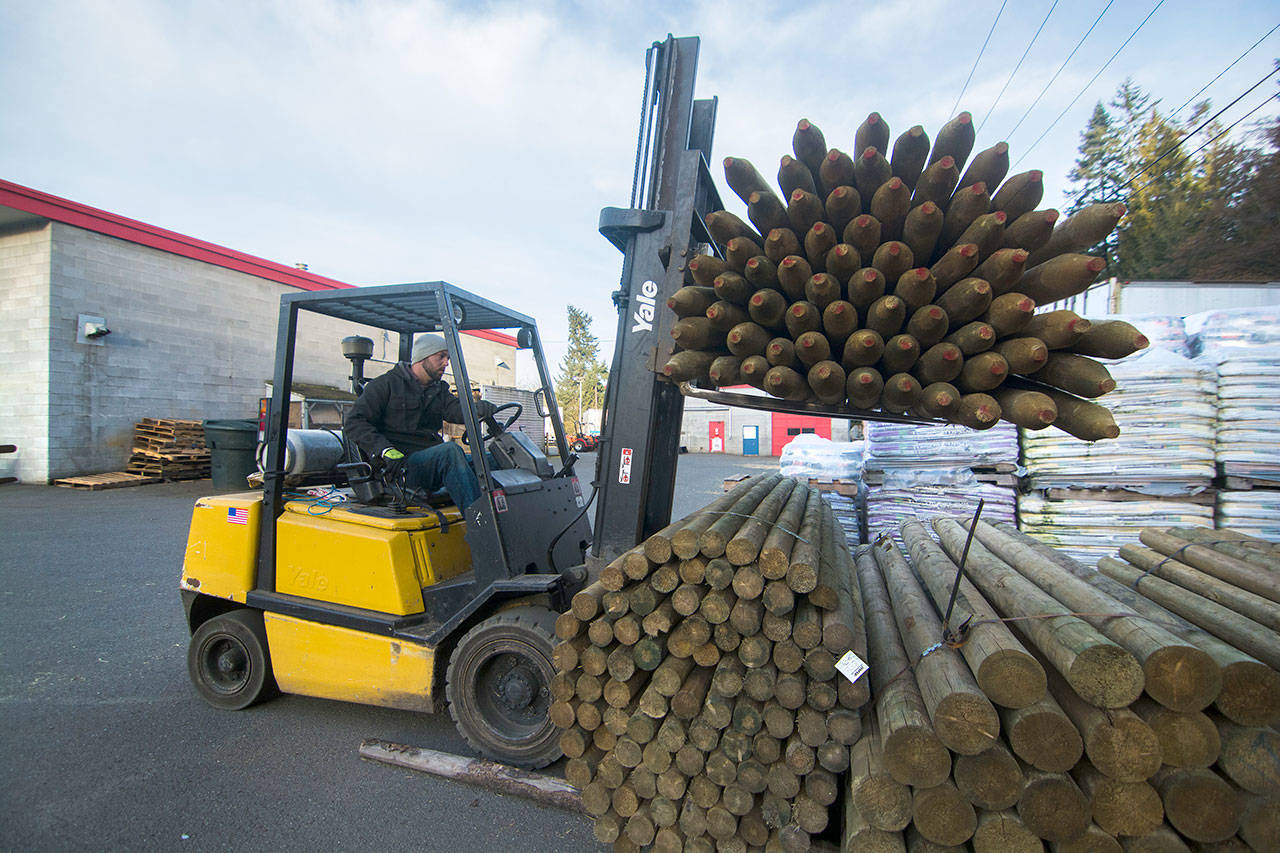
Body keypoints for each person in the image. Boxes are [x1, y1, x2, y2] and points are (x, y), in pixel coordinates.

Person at [343, 333, 496, 509]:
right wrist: (384, 449)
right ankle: (482, 524)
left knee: (493, 458)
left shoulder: (438, 390)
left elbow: (456, 410)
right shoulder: (386, 385)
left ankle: (507, 521)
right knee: (450, 452)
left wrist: (476, 408)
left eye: (447, 358)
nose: (446, 363)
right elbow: (354, 423)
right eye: (441, 357)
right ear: (423, 357)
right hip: (401, 466)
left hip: (430, 461)